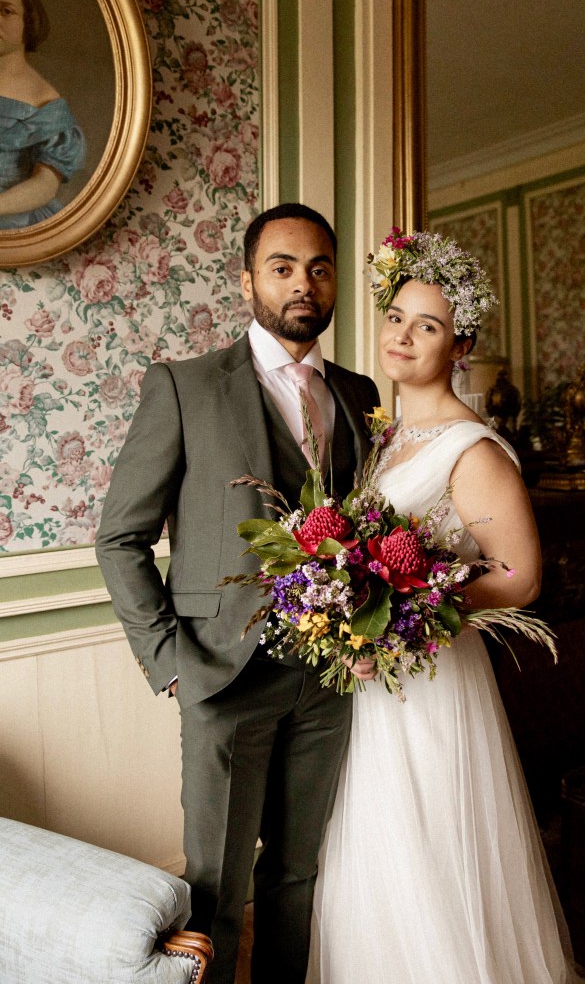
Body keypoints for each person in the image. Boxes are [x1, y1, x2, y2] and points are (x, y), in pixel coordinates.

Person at [306, 229, 585, 983]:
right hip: (379, 681)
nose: (404, 335)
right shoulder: (387, 437)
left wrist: (403, 604)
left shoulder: (469, 446)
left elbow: (519, 576)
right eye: (398, 317)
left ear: (460, 344)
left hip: (434, 678)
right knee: (378, 842)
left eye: (429, 325)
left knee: (433, 844)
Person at [95, 203, 380, 984]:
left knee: (297, 873)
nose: (303, 284)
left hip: (328, 678)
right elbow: (119, 537)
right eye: (283, 267)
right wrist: (170, 661)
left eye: (319, 268)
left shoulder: (357, 393)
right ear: (248, 279)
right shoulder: (185, 386)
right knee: (215, 886)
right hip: (222, 675)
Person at [0, 0, 85, 229]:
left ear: (28, 20)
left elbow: (45, 185)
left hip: (13, 221)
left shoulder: (43, 100)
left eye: (5, 10)